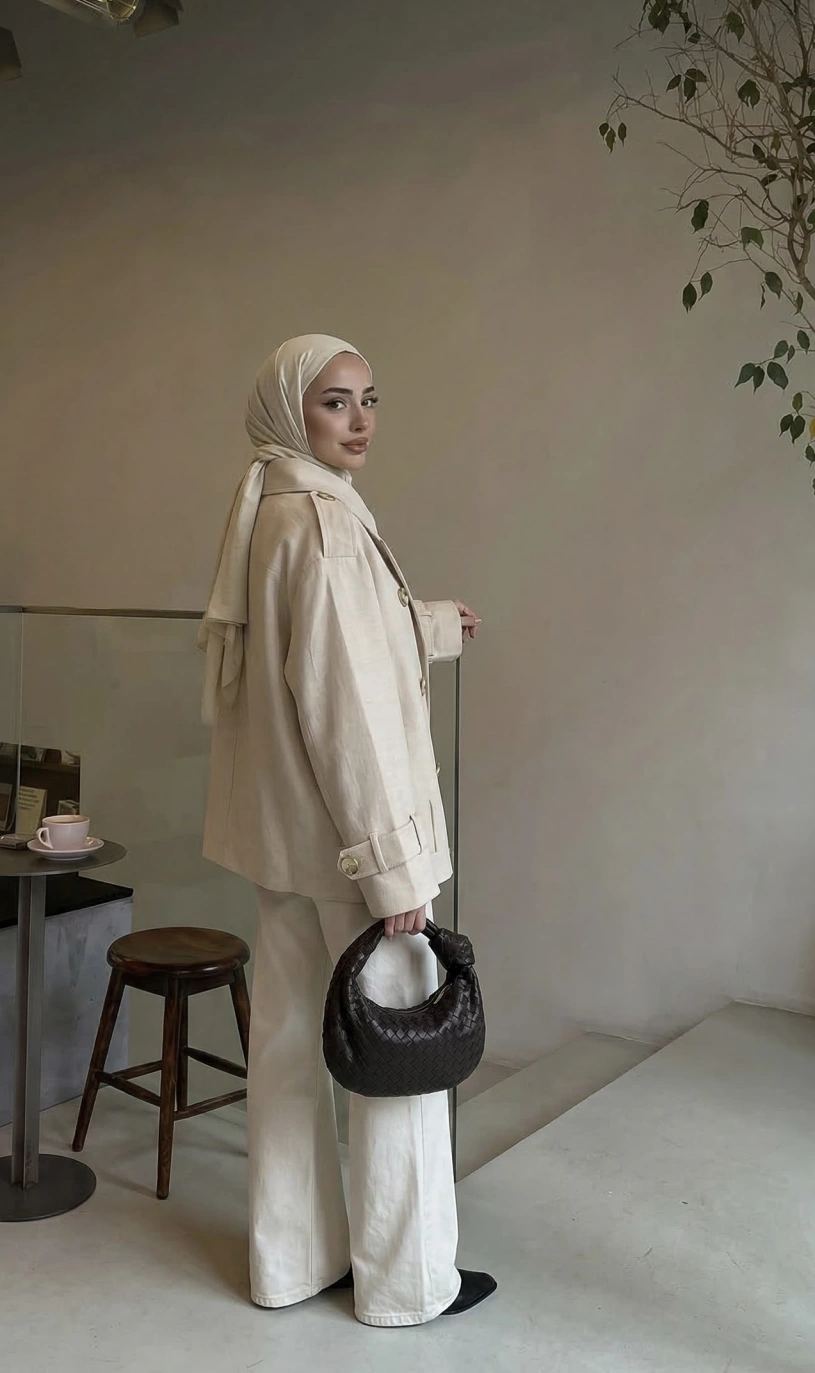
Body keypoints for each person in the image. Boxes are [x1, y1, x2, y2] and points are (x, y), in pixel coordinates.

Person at [199, 334, 494, 1328]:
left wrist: (428, 623)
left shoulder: (272, 510)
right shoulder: (322, 522)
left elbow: (321, 649)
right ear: (293, 411)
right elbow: (346, 709)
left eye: (370, 398)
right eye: (335, 402)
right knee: (400, 1055)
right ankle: (408, 1284)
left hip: (282, 839)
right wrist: (393, 867)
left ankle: (292, 1261)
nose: (360, 420)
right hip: (348, 849)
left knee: (287, 1048)